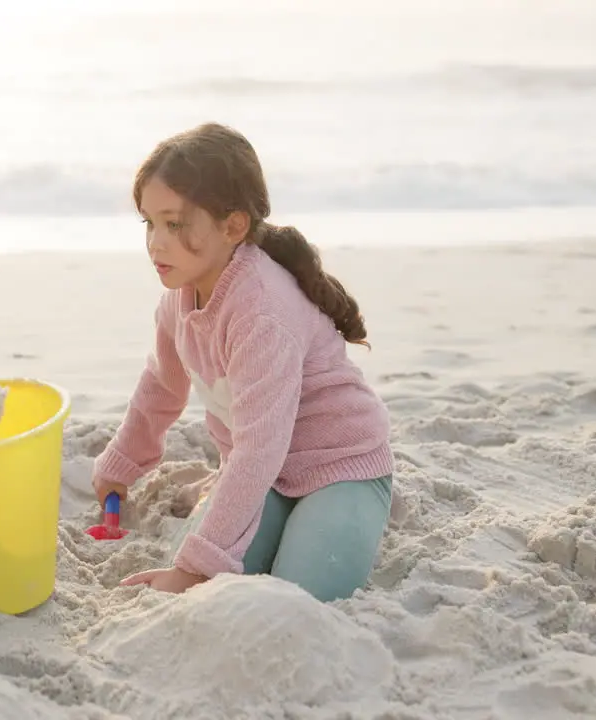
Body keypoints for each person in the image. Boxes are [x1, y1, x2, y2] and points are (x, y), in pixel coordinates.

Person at [93, 123, 396, 602]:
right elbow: (161, 385)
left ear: (232, 226)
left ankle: (346, 518)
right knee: (222, 584)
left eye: (175, 224)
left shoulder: (261, 311)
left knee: (296, 597)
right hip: (265, 474)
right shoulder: (179, 297)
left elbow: (258, 446)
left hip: (340, 467)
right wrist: (123, 461)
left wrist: (193, 568)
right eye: (149, 223)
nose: (156, 243)